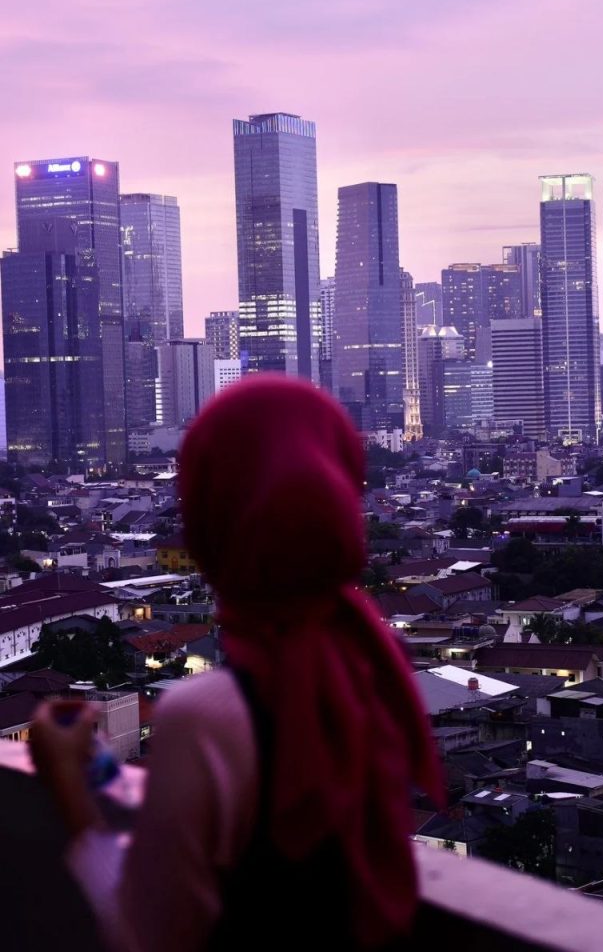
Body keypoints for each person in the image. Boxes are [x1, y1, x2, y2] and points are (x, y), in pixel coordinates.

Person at [31, 375, 443, 952]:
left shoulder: (208, 713)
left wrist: (73, 796)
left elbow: (150, 934)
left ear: (209, 519)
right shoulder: (374, 663)